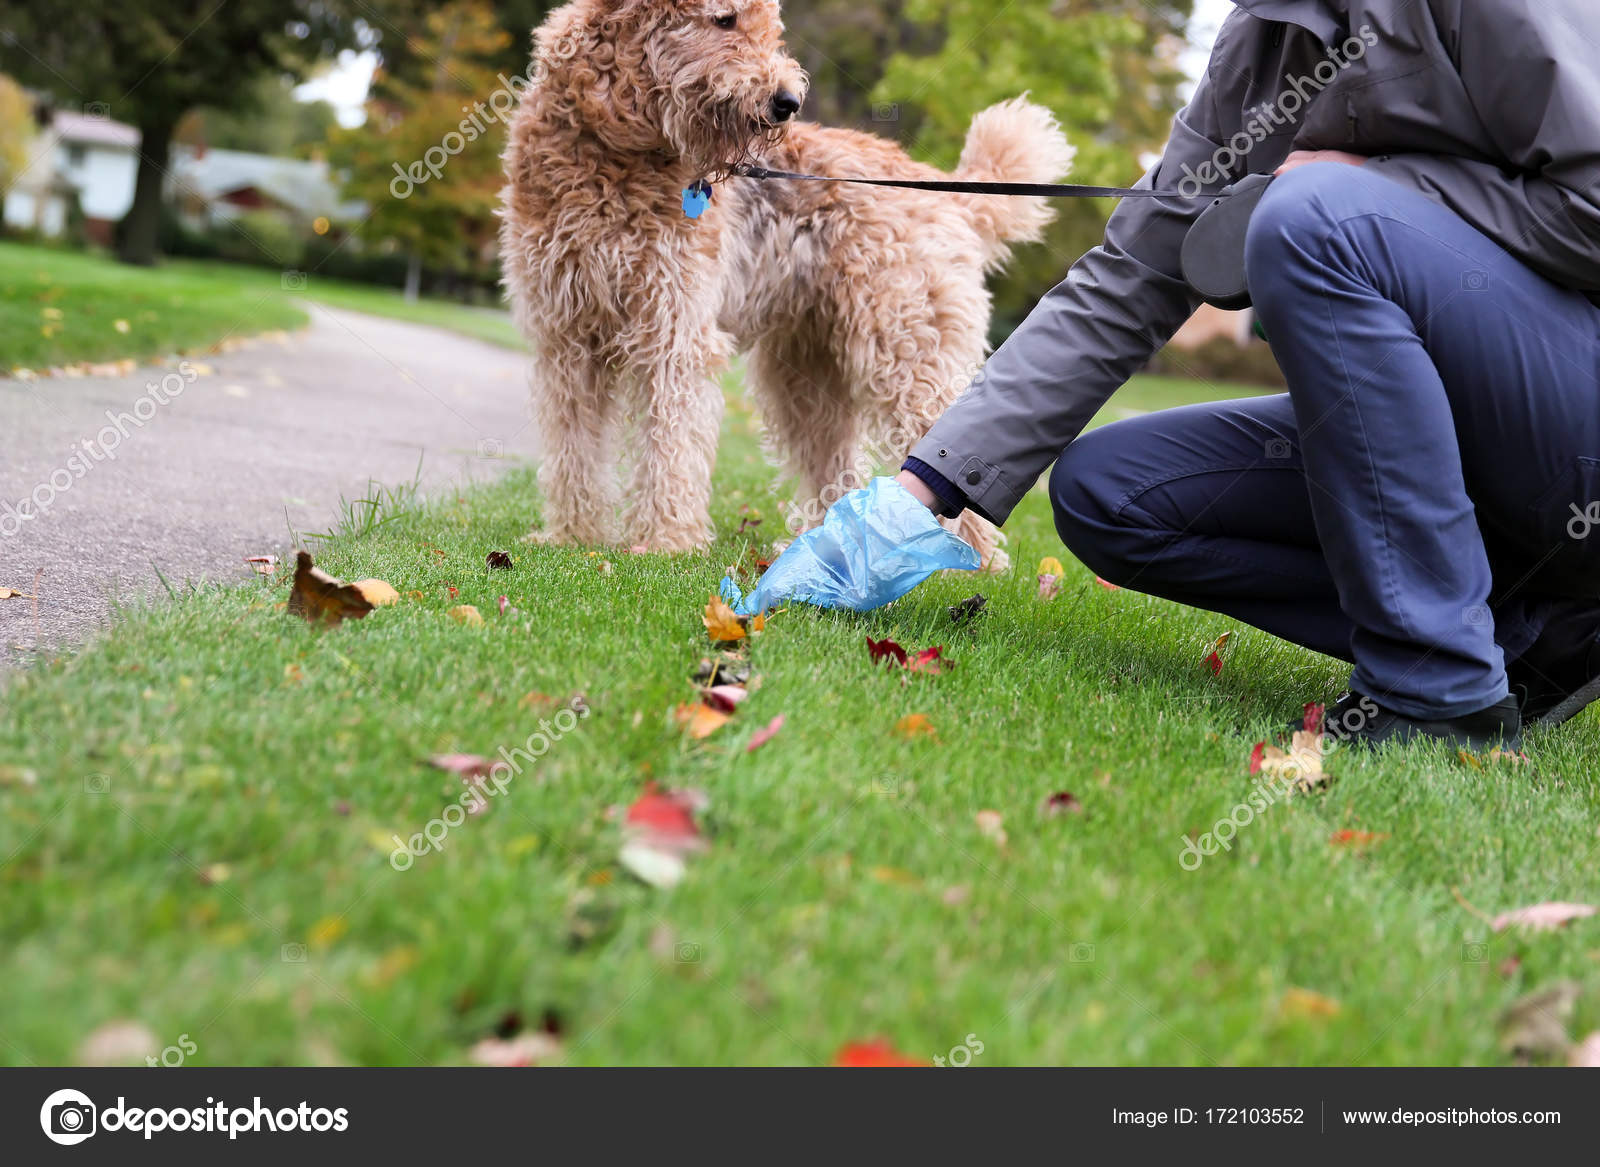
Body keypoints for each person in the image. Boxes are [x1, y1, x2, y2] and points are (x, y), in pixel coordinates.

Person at [746, 0, 1600, 751]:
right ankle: (1532, 635)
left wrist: (1377, 185)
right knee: (1108, 491)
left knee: (1310, 218)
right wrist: (916, 494)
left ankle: (1440, 688)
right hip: (1478, 454)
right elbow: (1137, 271)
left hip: (1572, 426)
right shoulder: (1267, 37)